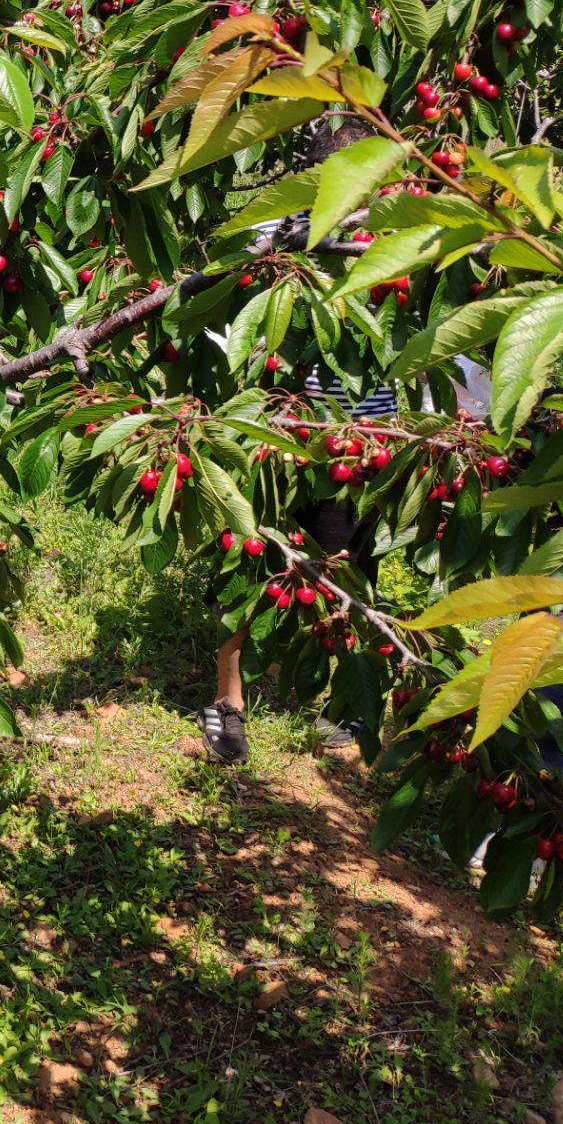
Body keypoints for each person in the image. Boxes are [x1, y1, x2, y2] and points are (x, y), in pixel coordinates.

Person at [200, 113, 394, 766]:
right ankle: (229, 709)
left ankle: (337, 697)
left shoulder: (391, 239)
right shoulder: (278, 231)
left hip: (355, 444)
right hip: (276, 435)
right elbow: (242, 313)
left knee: (342, 577)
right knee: (246, 568)